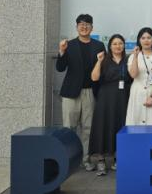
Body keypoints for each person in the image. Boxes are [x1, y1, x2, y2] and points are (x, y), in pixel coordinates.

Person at [56, 13, 106, 171]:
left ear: (92, 27)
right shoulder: (69, 45)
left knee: (88, 129)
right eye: (81, 24)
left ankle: (85, 159)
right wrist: (62, 52)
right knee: (69, 128)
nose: (84, 27)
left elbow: (102, 70)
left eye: (87, 24)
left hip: (90, 92)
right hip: (71, 92)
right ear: (77, 27)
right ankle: (68, 160)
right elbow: (60, 68)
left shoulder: (99, 45)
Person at [88, 34, 132, 175]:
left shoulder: (128, 60)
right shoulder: (104, 60)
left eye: (120, 43)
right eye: (115, 44)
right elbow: (94, 77)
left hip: (123, 98)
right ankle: (101, 160)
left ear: (124, 45)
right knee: (103, 126)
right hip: (106, 98)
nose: (118, 46)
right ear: (110, 46)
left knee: (119, 125)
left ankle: (117, 158)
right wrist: (99, 61)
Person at [125, 27, 152, 126]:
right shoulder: (133, 56)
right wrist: (135, 56)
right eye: (143, 38)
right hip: (137, 93)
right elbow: (133, 75)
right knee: (136, 125)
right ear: (139, 40)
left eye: (149, 38)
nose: (146, 40)